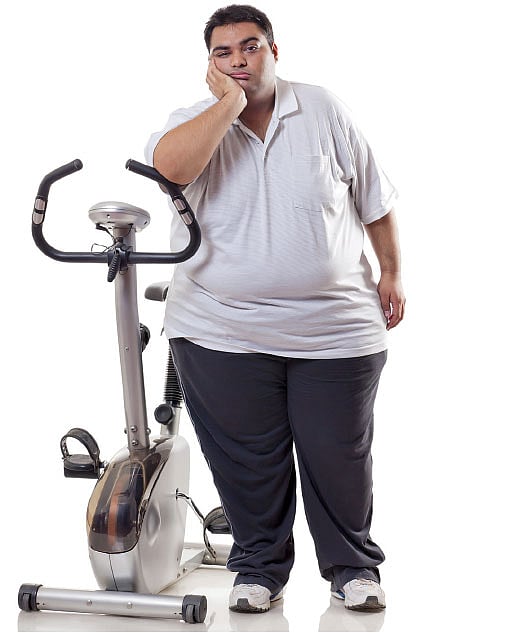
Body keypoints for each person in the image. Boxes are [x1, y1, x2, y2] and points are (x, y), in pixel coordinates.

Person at [145, 3, 405, 614]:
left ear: (274, 50)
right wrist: (230, 106)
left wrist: (391, 270)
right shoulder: (191, 122)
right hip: (220, 327)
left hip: (334, 327)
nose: (239, 60)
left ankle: (353, 568)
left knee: (337, 456)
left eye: (251, 46)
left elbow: (373, 198)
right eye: (224, 52)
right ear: (210, 64)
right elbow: (171, 170)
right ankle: (258, 568)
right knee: (248, 462)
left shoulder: (321, 108)